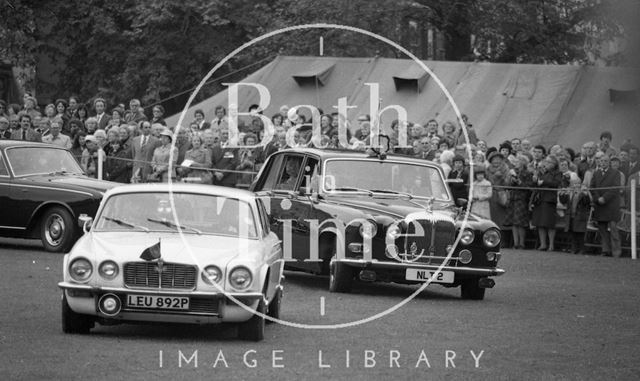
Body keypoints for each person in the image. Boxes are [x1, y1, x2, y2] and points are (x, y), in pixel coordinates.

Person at [590, 155, 622, 257]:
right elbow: (592, 187)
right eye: (601, 161)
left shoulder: (615, 173)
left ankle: (616, 252)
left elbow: (615, 188)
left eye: (605, 161)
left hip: (611, 205)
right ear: (599, 162)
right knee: (602, 230)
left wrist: (604, 198)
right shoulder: (596, 173)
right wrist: (598, 198)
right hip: (600, 205)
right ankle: (606, 250)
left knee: (613, 230)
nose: (603, 163)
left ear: (609, 162)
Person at [530, 156, 563, 251]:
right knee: (540, 223)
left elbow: (556, 183)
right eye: (546, 162)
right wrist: (535, 180)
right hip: (540, 199)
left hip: (549, 200)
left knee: (549, 223)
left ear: (554, 164)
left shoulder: (557, 173)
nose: (546, 164)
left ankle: (551, 245)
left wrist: (543, 182)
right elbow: (536, 185)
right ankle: (543, 244)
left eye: (549, 162)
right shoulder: (544, 173)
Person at [507, 155, 534, 249]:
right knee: (514, 222)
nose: (515, 163)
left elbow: (529, 187)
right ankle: (516, 243)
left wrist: (519, 182)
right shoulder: (514, 172)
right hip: (513, 198)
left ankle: (522, 243)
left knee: (521, 223)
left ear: (523, 162)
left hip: (522, 199)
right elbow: (508, 185)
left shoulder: (528, 173)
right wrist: (511, 180)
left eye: (517, 161)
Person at [486, 151, 511, 231]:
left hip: (502, 195)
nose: (496, 161)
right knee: (492, 218)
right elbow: (486, 182)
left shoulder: (506, 168)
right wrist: (494, 176)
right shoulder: (488, 169)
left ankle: (503, 236)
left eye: (498, 159)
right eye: (494, 159)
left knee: (502, 218)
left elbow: (508, 183)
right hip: (491, 195)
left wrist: (501, 177)